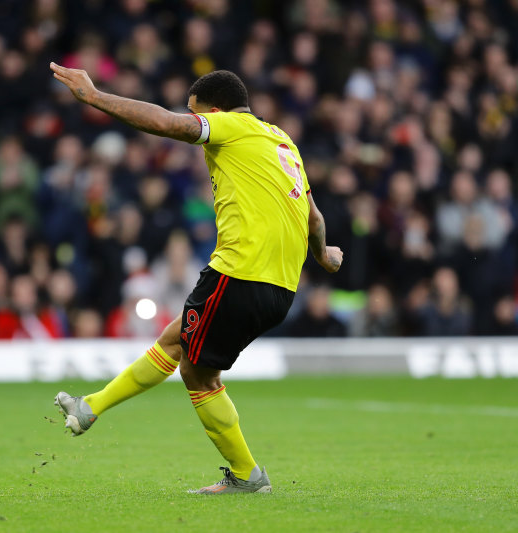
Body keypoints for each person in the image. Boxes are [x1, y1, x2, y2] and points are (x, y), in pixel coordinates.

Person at [49, 64, 343, 494]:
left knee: (197, 375)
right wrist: (323, 255)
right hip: (281, 288)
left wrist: (95, 97)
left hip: (239, 273)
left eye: (196, 111)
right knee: (176, 339)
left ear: (216, 109)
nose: (191, 117)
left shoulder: (229, 127)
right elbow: (314, 217)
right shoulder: (282, 140)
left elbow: (168, 125)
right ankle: (91, 407)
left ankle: (247, 475)